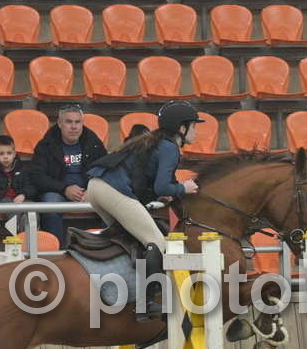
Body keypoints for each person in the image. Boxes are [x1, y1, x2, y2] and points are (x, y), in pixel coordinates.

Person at [85, 101, 202, 322]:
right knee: (157, 241)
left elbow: (149, 182)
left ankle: (124, 289)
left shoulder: (157, 142)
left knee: (132, 239)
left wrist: (163, 192)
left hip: (95, 188)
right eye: (194, 126)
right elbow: (163, 187)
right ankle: (145, 304)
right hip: (111, 190)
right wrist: (183, 188)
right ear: (181, 128)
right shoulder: (169, 147)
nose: (196, 131)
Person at [29, 104, 107, 244]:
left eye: (77, 122)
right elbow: (37, 176)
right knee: (50, 205)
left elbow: (104, 169)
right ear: (60, 123)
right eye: (69, 122)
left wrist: (91, 189)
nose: (74, 127)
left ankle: (105, 248)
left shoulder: (93, 142)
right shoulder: (46, 144)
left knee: (111, 203)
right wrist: (64, 188)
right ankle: (56, 250)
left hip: (89, 191)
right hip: (58, 191)